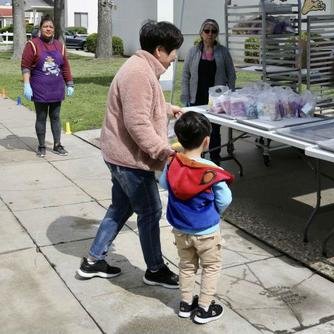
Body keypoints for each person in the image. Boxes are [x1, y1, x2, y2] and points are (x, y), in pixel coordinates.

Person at [77, 21, 184, 289]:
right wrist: (162, 150)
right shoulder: (138, 73)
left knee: (121, 208)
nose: (175, 58)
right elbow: (137, 122)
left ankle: (94, 260)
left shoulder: (142, 68)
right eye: (173, 52)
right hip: (128, 160)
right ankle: (155, 269)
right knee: (150, 210)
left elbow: (144, 103)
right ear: (160, 50)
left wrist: (168, 108)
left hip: (119, 156)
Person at [159, 111, 233, 324]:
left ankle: (184, 304)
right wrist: (215, 212)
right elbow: (225, 198)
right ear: (207, 140)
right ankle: (204, 308)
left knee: (186, 266)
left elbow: (164, 184)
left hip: (181, 229)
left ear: (179, 140)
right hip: (207, 232)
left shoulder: (173, 163)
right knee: (211, 267)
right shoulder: (212, 170)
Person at [180, 19, 236, 165]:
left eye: (213, 31)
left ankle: (215, 159)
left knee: (214, 129)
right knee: (197, 128)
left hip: (216, 99)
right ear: (201, 33)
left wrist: (230, 95)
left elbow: (231, 74)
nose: (210, 34)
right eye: (207, 30)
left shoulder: (223, 52)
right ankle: (199, 159)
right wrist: (185, 96)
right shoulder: (193, 51)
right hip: (197, 95)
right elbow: (185, 74)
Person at [21, 15, 74, 157]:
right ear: (41, 28)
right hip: (40, 89)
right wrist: (27, 84)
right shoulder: (32, 44)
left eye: (51, 27)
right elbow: (25, 67)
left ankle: (57, 145)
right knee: (41, 117)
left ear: (54, 29)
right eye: (45, 26)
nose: (48, 29)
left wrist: (69, 83)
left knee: (56, 116)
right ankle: (42, 146)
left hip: (56, 89)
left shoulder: (60, 46)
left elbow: (65, 67)